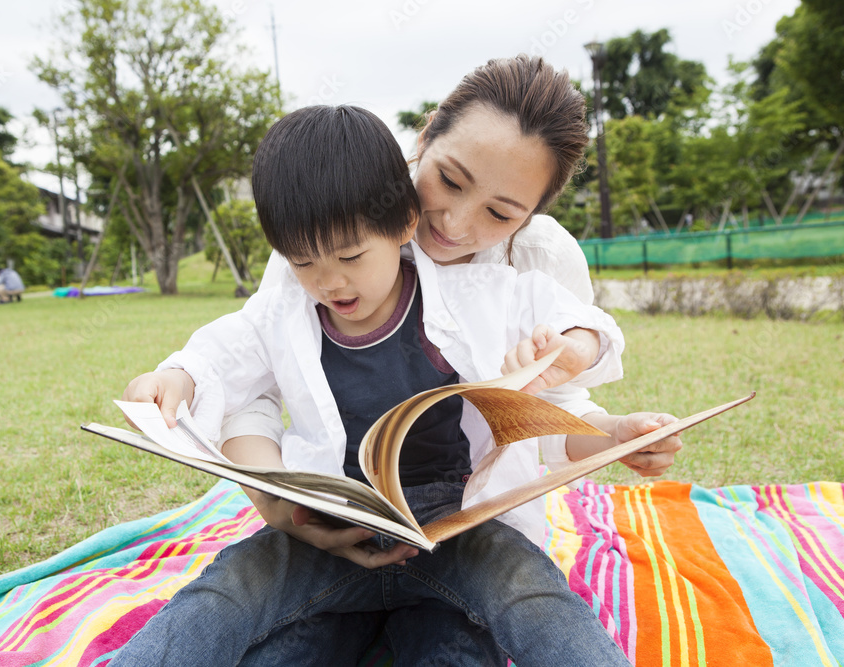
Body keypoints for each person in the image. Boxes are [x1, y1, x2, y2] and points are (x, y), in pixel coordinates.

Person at [111, 104, 630, 666]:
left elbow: (572, 319)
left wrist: (577, 342)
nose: (330, 281)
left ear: (404, 223)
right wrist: (174, 378)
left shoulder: (481, 289)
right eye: (304, 263)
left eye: (351, 257)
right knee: (229, 590)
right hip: (336, 532)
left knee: (526, 596)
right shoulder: (285, 304)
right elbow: (218, 355)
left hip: (458, 532)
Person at [218, 55, 684, 663]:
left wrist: (618, 434)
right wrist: (279, 507)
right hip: (332, 523)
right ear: (427, 132)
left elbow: (545, 420)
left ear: (535, 210)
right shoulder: (329, 232)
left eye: (501, 213)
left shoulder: (539, 261)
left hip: (468, 534)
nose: (456, 225)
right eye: (451, 179)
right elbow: (251, 387)